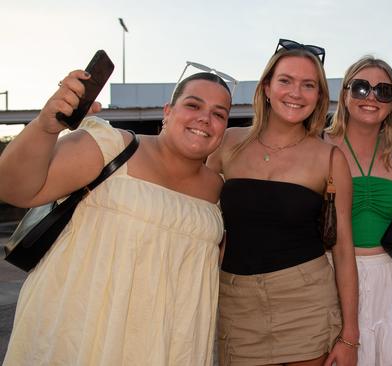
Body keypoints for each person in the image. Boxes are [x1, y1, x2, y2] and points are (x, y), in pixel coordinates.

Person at [0, 70, 231, 365]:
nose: (205, 119)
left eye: (219, 114)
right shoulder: (110, 146)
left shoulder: (220, 190)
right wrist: (45, 127)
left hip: (167, 345)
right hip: (83, 336)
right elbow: (15, 189)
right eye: (193, 105)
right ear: (168, 112)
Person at [206, 39, 359, 366]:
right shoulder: (227, 143)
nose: (295, 93)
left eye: (308, 85)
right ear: (266, 87)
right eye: (285, 81)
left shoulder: (330, 158)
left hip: (305, 301)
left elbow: (344, 250)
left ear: (319, 96)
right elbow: (190, 202)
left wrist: (350, 337)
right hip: (236, 303)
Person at [324, 56, 392, 365]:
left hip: (391, 279)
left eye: (383, 91)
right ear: (345, 95)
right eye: (361, 88)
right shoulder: (320, 144)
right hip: (332, 274)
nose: (371, 97)